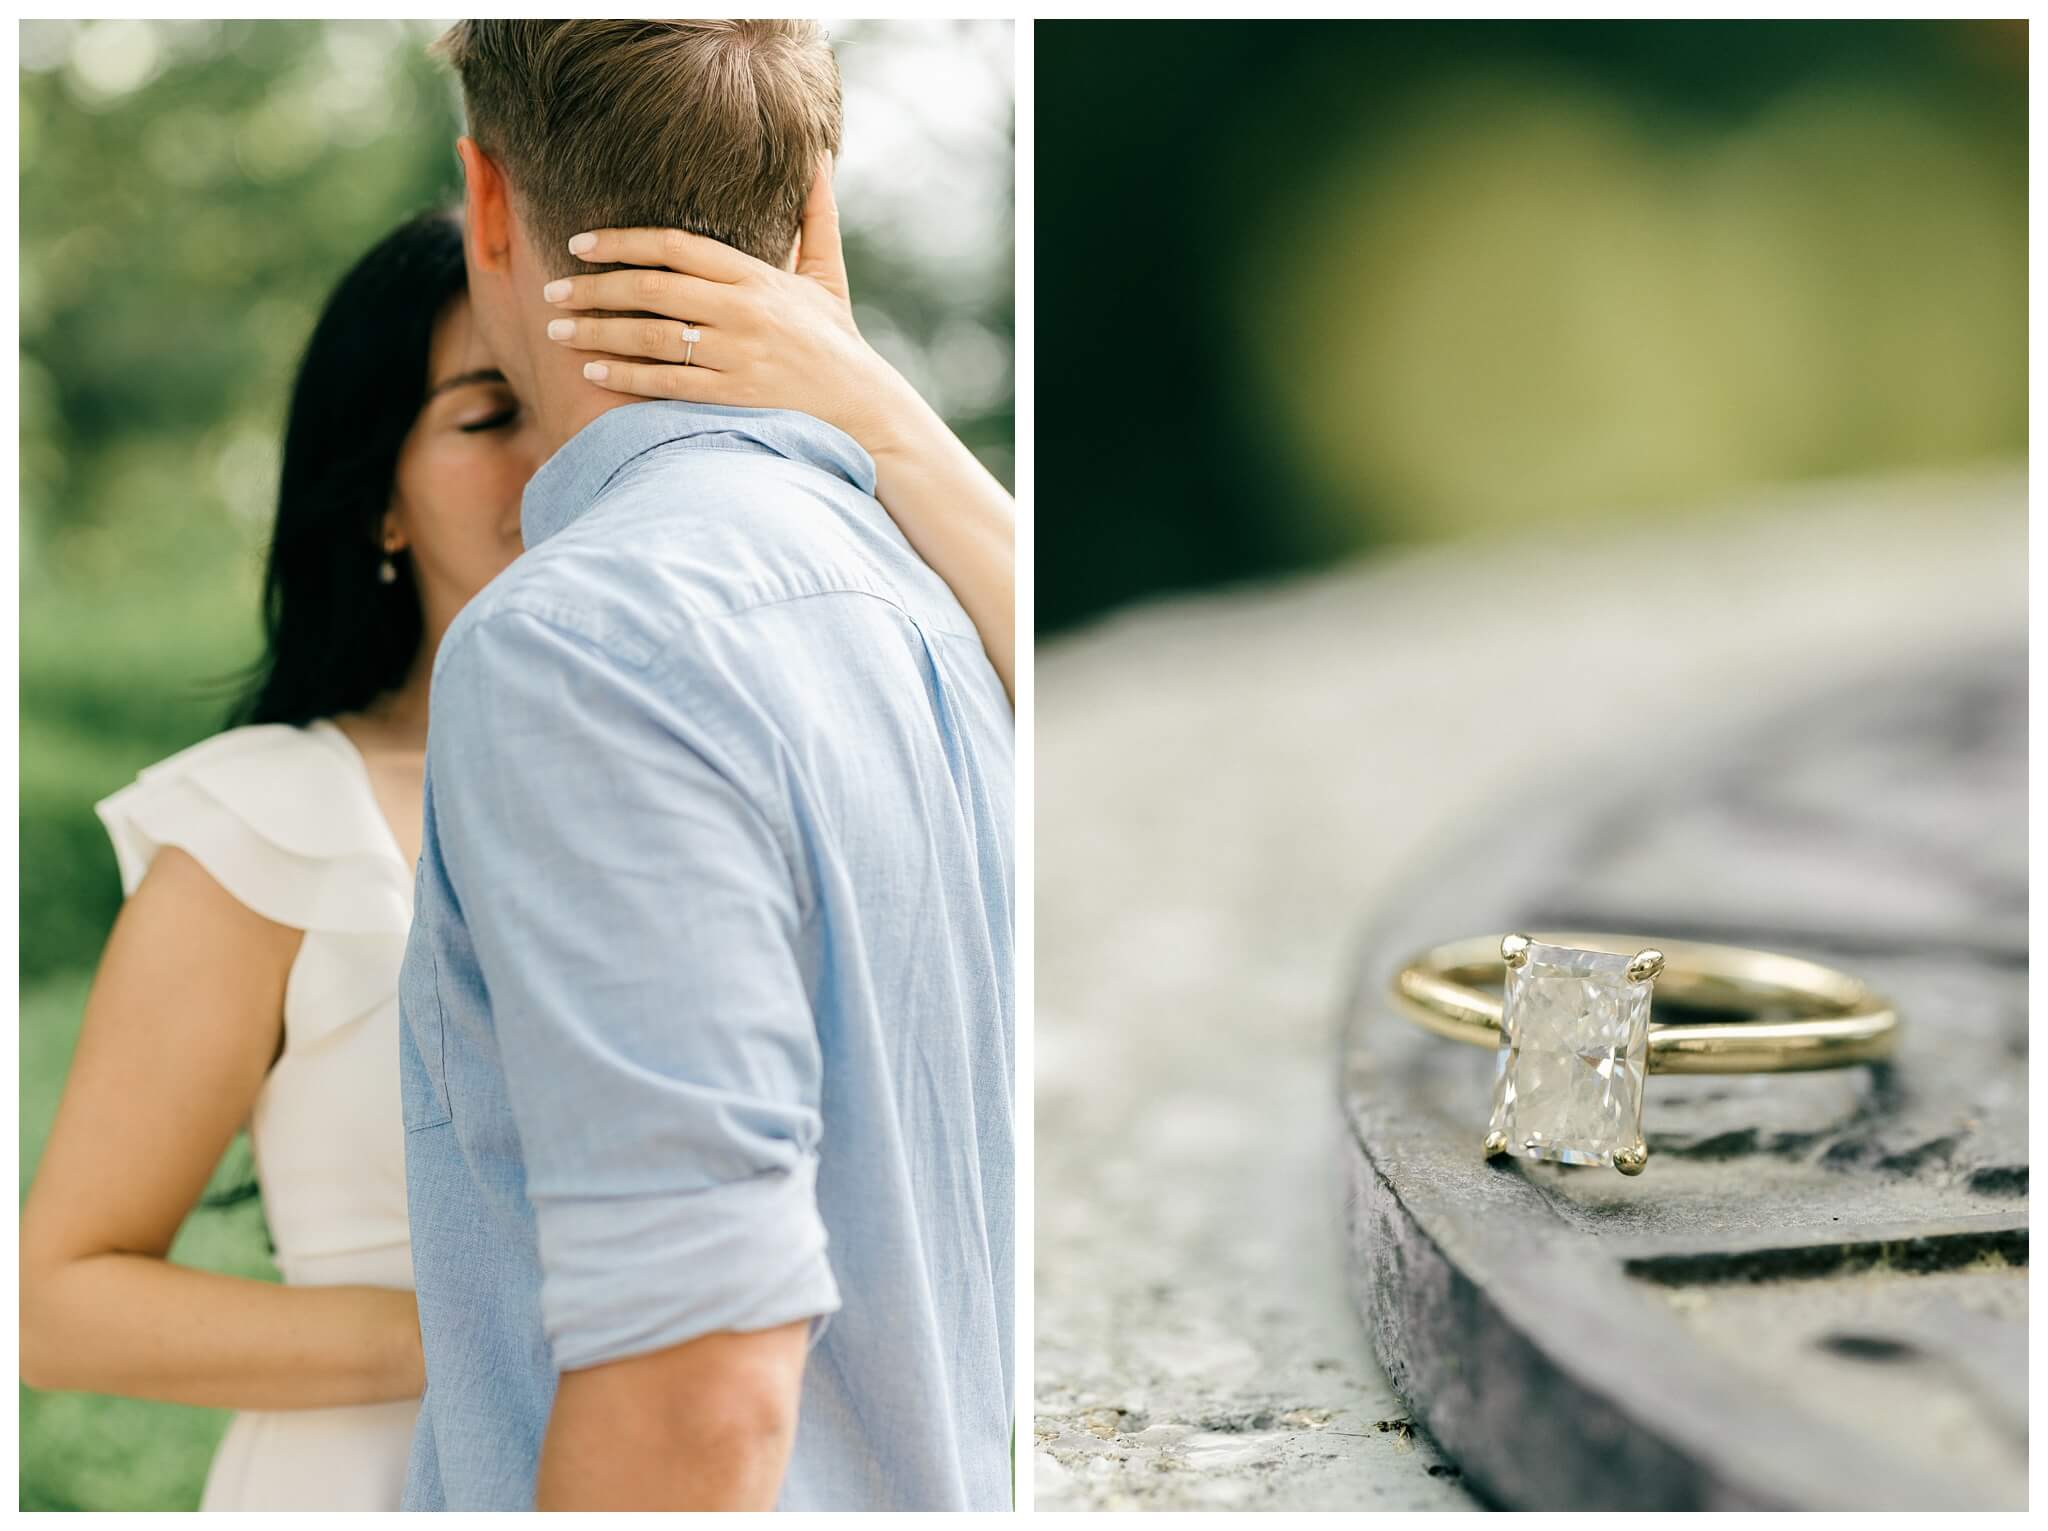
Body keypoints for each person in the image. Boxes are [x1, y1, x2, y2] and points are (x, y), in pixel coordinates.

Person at [18, 73, 1012, 1520]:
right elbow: (58, 1300)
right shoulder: (264, 826)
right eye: (487, 412)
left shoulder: (754, 676)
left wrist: (882, 413)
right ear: (376, 492)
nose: (555, 449)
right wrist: (527, 1339)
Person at [401, 19, 1012, 1511]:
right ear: (817, 214)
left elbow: (704, 1391)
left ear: (487, 200)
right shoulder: (943, 605)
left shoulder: (577, 645)